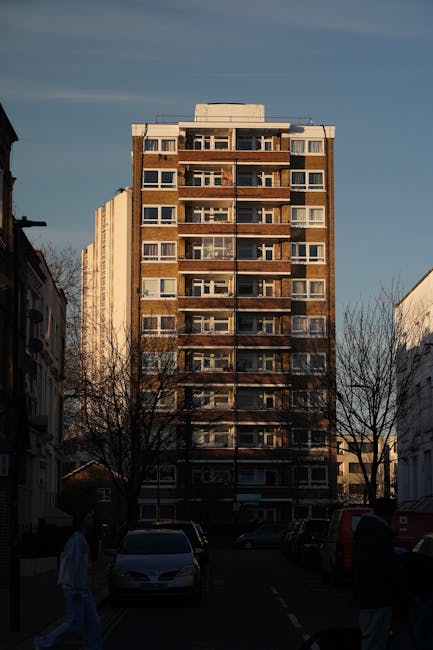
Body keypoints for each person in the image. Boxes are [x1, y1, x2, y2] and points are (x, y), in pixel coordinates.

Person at [34, 509, 102, 650]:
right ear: (81, 521)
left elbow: (81, 566)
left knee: (92, 622)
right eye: (88, 517)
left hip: (83, 588)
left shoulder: (81, 538)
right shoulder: (76, 540)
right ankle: (43, 642)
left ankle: (93, 647)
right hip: (75, 588)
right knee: (74, 624)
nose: (92, 521)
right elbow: (74, 565)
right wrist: (76, 588)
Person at [352, 498, 397, 650]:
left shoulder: (365, 530)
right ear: (389, 515)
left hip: (366, 597)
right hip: (379, 598)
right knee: (376, 639)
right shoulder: (380, 534)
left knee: (370, 637)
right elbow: (385, 568)